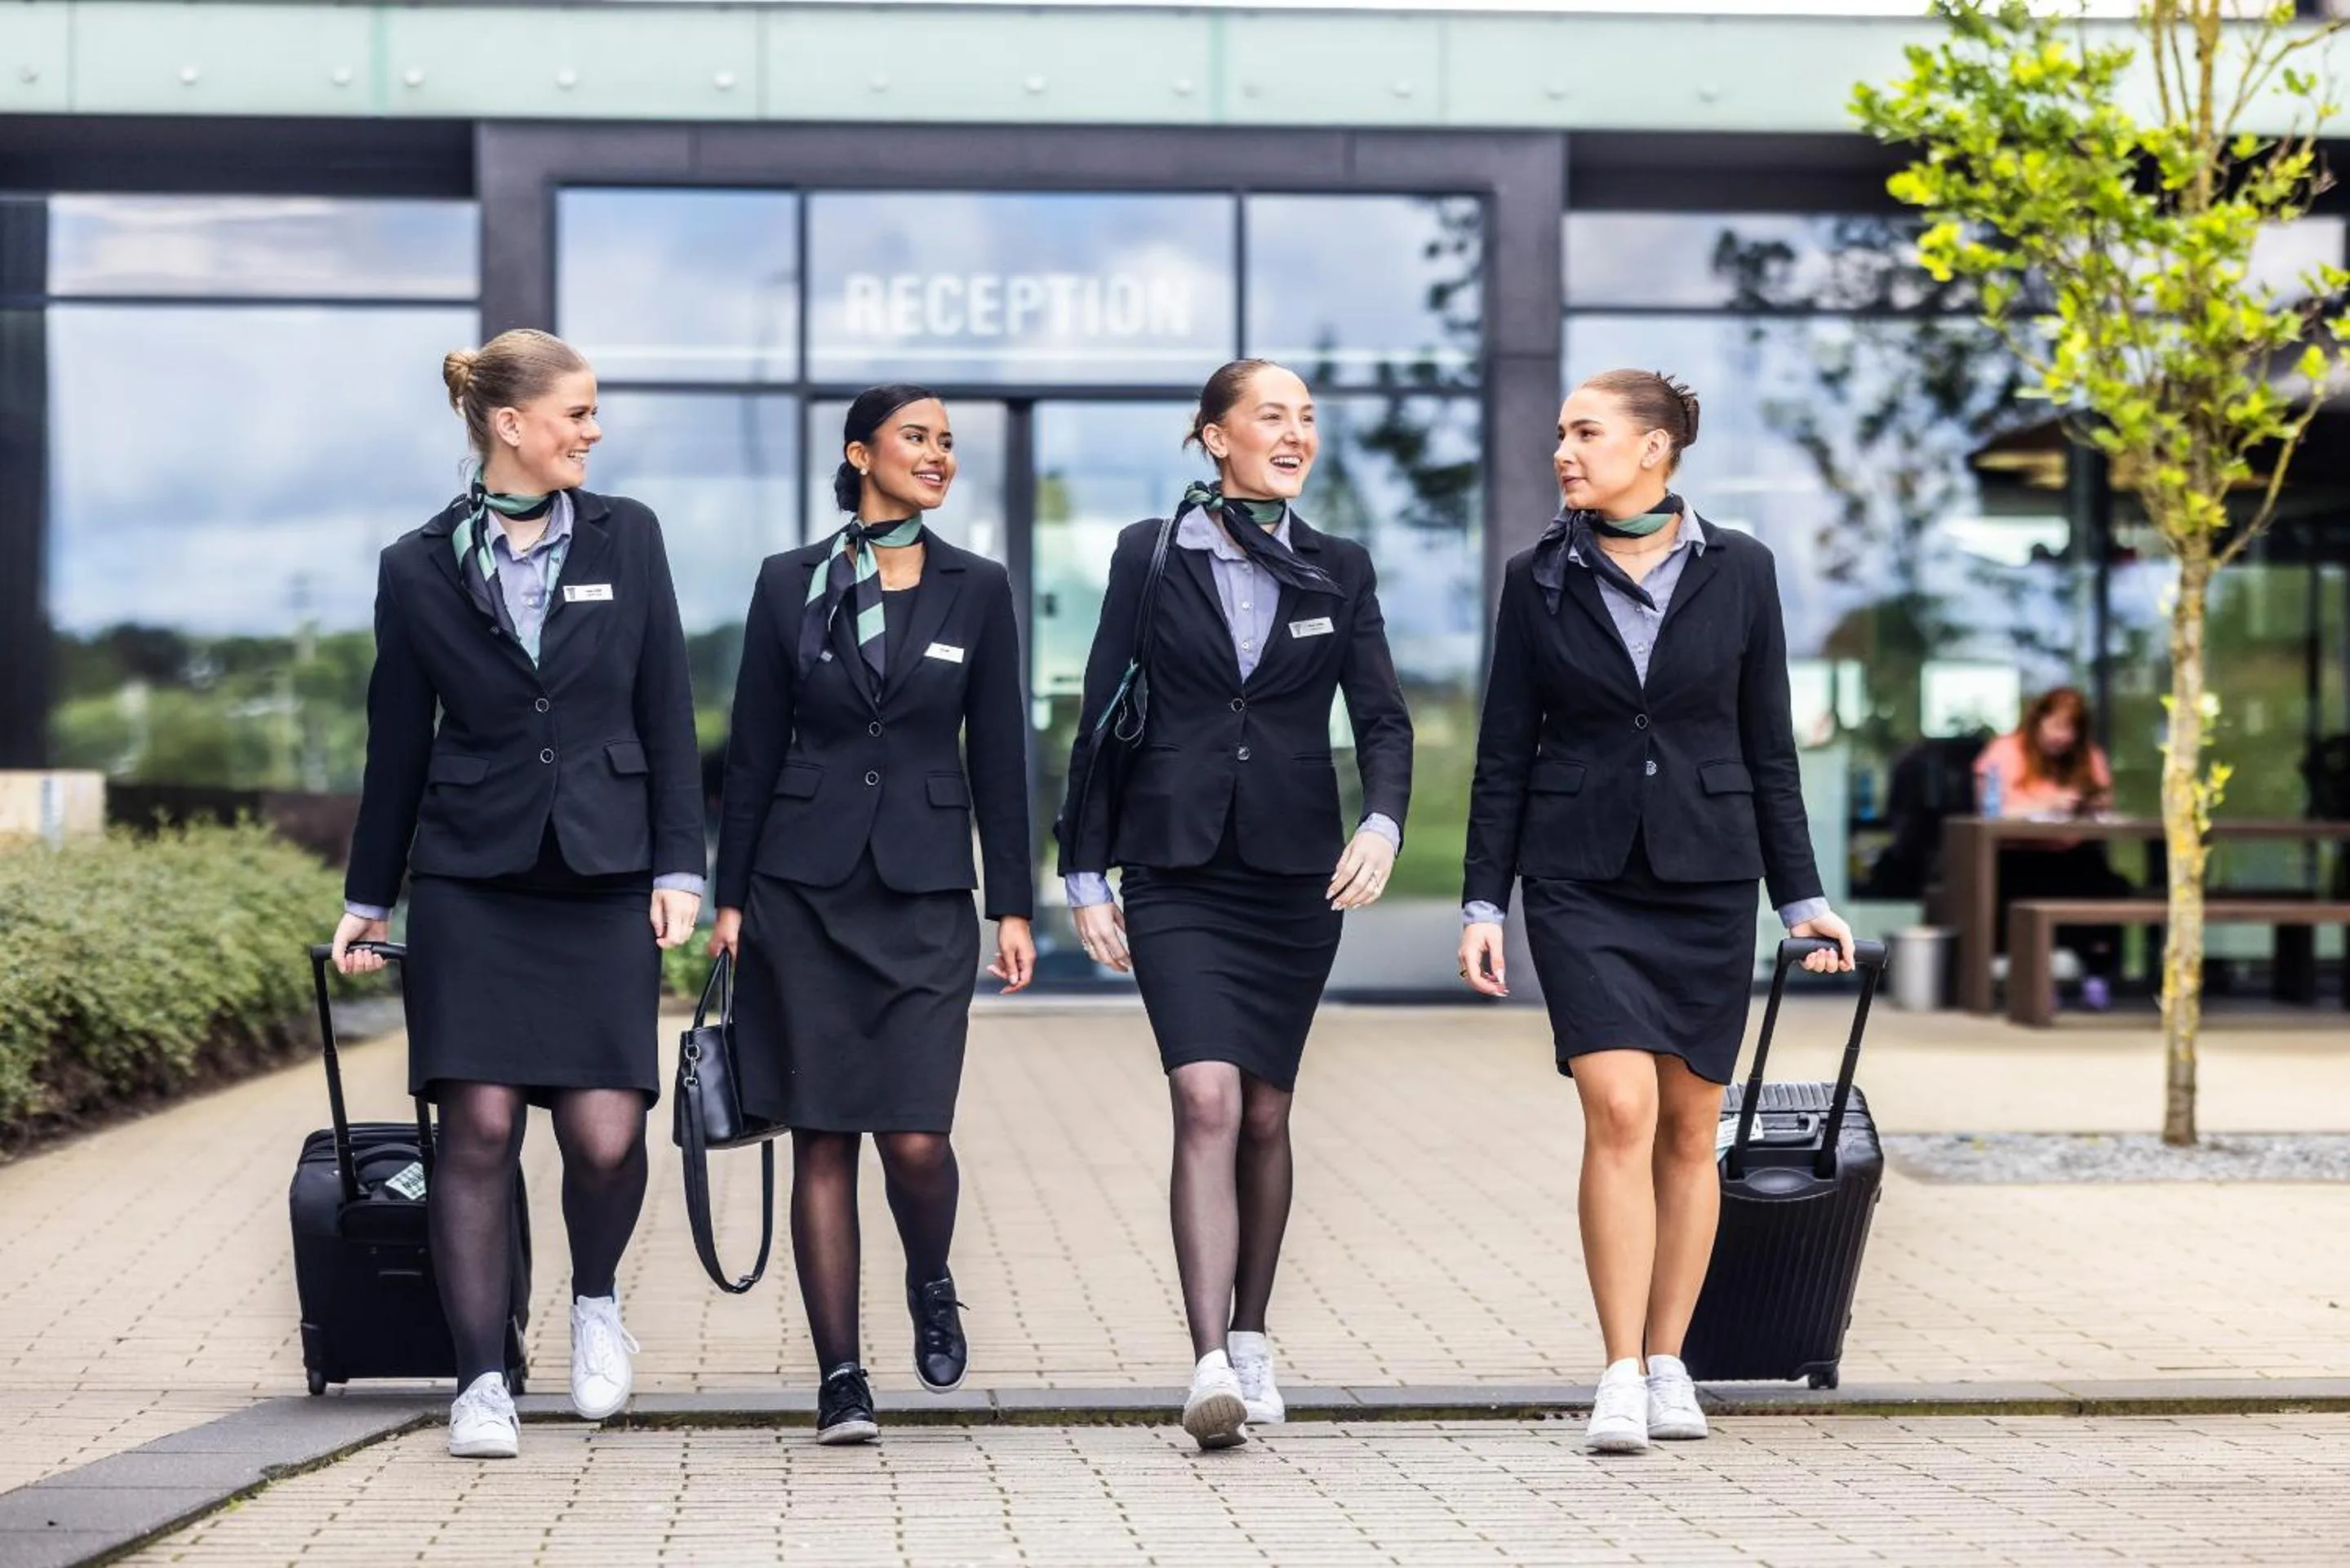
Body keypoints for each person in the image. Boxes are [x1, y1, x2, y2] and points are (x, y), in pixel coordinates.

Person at [1457, 368, 1855, 1456]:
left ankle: (1671, 1357)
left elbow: (1766, 747)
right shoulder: (1533, 578)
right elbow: (1503, 752)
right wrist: (1482, 898)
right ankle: (1618, 1369)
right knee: (1618, 1110)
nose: (1561, 452)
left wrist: (1802, 896)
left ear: (1653, 449)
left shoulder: (1740, 571)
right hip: (1578, 877)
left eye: (1584, 432)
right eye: (1559, 434)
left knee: (1688, 1127)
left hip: (1706, 879)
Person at [331, 328, 704, 1459]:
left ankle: (596, 1305)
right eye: (577, 412)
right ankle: (480, 1377)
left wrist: (679, 864)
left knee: (602, 1131)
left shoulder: (627, 536)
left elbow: (668, 711)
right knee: (478, 1127)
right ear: (510, 424)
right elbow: (396, 738)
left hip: (601, 875)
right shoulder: (417, 563)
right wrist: (368, 897)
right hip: (471, 877)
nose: (593, 431)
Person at [1055, 358, 1413, 1450]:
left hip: (1293, 877)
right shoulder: (1150, 553)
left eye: (1305, 417)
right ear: (1214, 437)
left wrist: (1381, 822)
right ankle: (1207, 1357)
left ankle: (1253, 1335)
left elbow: (1384, 721)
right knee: (1204, 1098)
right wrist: (1083, 871)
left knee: (1264, 1108)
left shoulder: (1335, 566)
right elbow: (1103, 703)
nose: (1293, 432)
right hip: (1175, 868)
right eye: (1270, 414)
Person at [709, 386, 1033, 1446]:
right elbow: (751, 752)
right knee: (821, 1140)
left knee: (914, 1138)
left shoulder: (977, 589)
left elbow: (999, 757)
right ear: (860, 455)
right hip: (799, 895)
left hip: (926, 896)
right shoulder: (785, 584)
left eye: (945, 442)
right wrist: (726, 899)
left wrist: (1015, 904)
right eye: (916, 438)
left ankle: (930, 1276)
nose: (938, 454)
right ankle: (839, 1376)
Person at [1975, 686, 2129, 1010]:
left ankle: (2096, 976)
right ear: (2038, 720)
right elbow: (1990, 809)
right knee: (2020, 886)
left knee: (2112, 887)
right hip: (2019, 855)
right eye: (2058, 725)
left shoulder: (2087, 756)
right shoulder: (2005, 752)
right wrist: (2049, 803)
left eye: (2072, 728)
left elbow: (2105, 801)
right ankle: (2038, 981)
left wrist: (2087, 804)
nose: (2065, 736)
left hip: (2073, 855)